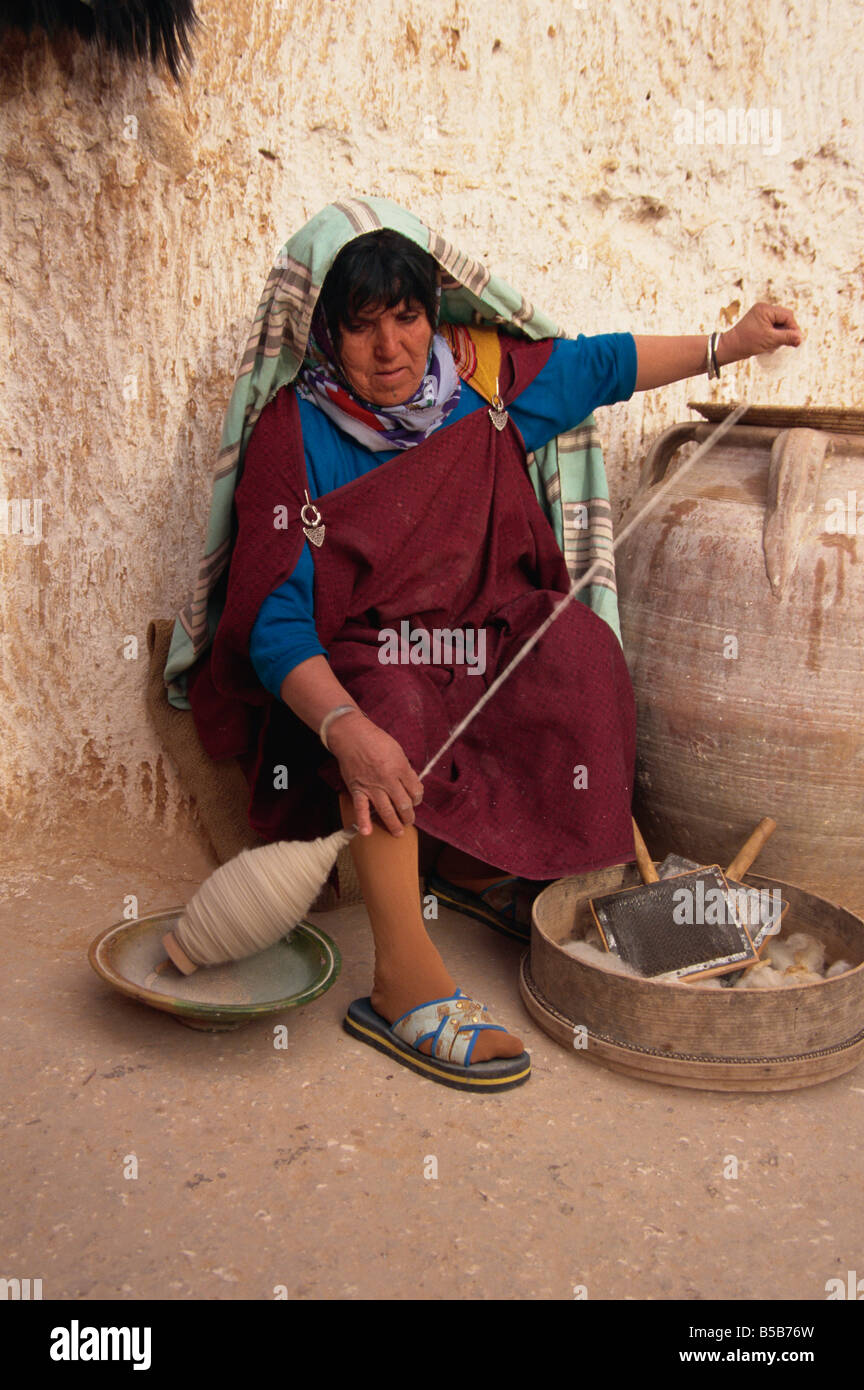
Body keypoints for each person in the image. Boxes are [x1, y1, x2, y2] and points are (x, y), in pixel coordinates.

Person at [168, 197, 801, 1092]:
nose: (389, 349)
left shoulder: (484, 385)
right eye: (360, 328)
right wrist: (344, 727)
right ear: (323, 333)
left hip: (483, 639)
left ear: (434, 313)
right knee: (385, 707)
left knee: (576, 649)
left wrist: (729, 344)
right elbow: (274, 618)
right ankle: (402, 983)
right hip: (369, 659)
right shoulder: (293, 435)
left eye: (406, 317)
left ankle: (521, 879)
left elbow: (603, 366)